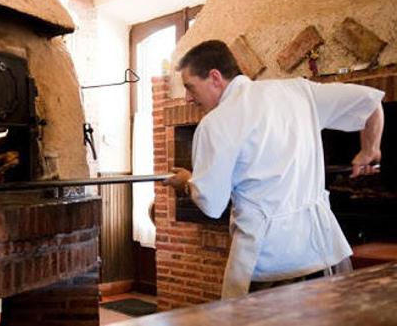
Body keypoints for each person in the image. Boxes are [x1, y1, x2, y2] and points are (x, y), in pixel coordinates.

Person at [163, 40, 385, 299]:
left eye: (190, 87)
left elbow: (211, 205)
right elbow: (370, 102)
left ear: (215, 77)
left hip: (267, 262)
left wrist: (188, 182)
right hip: (321, 252)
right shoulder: (298, 91)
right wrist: (370, 150)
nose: (189, 97)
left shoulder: (216, 123)